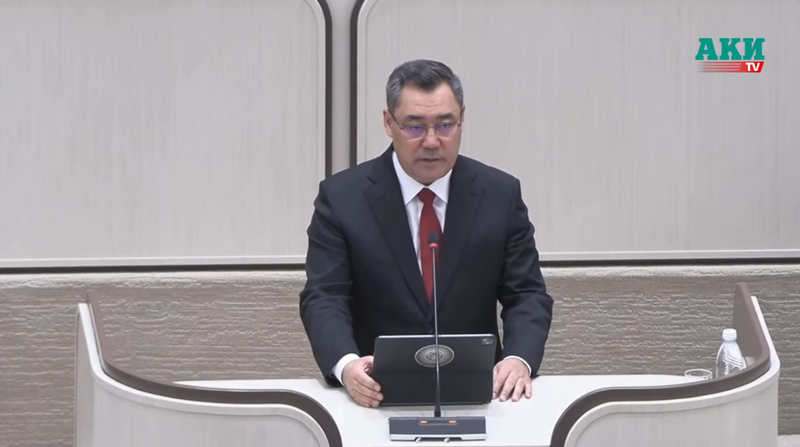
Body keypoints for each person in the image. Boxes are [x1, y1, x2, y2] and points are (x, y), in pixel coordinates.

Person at [299, 59, 553, 408]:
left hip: (479, 394)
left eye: (445, 125)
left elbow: (526, 294)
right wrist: (346, 366)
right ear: (389, 123)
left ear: (462, 119)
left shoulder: (499, 195)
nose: (432, 141)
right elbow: (325, 296)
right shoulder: (343, 198)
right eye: (415, 127)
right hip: (375, 395)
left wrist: (517, 359)